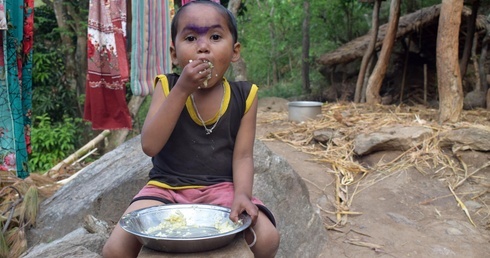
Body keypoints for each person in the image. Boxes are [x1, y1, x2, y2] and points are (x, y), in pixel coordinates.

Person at [102, 1, 280, 257]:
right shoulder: (167, 86)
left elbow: (242, 156)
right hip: (165, 188)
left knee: (268, 239)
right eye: (191, 37)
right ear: (174, 54)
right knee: (115, 251)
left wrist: (242, 194)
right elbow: (150, 145)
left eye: (216, 37)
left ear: (235, 51)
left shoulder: (245, 96)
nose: (203, 46)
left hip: (223, 188)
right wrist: (182, 89)